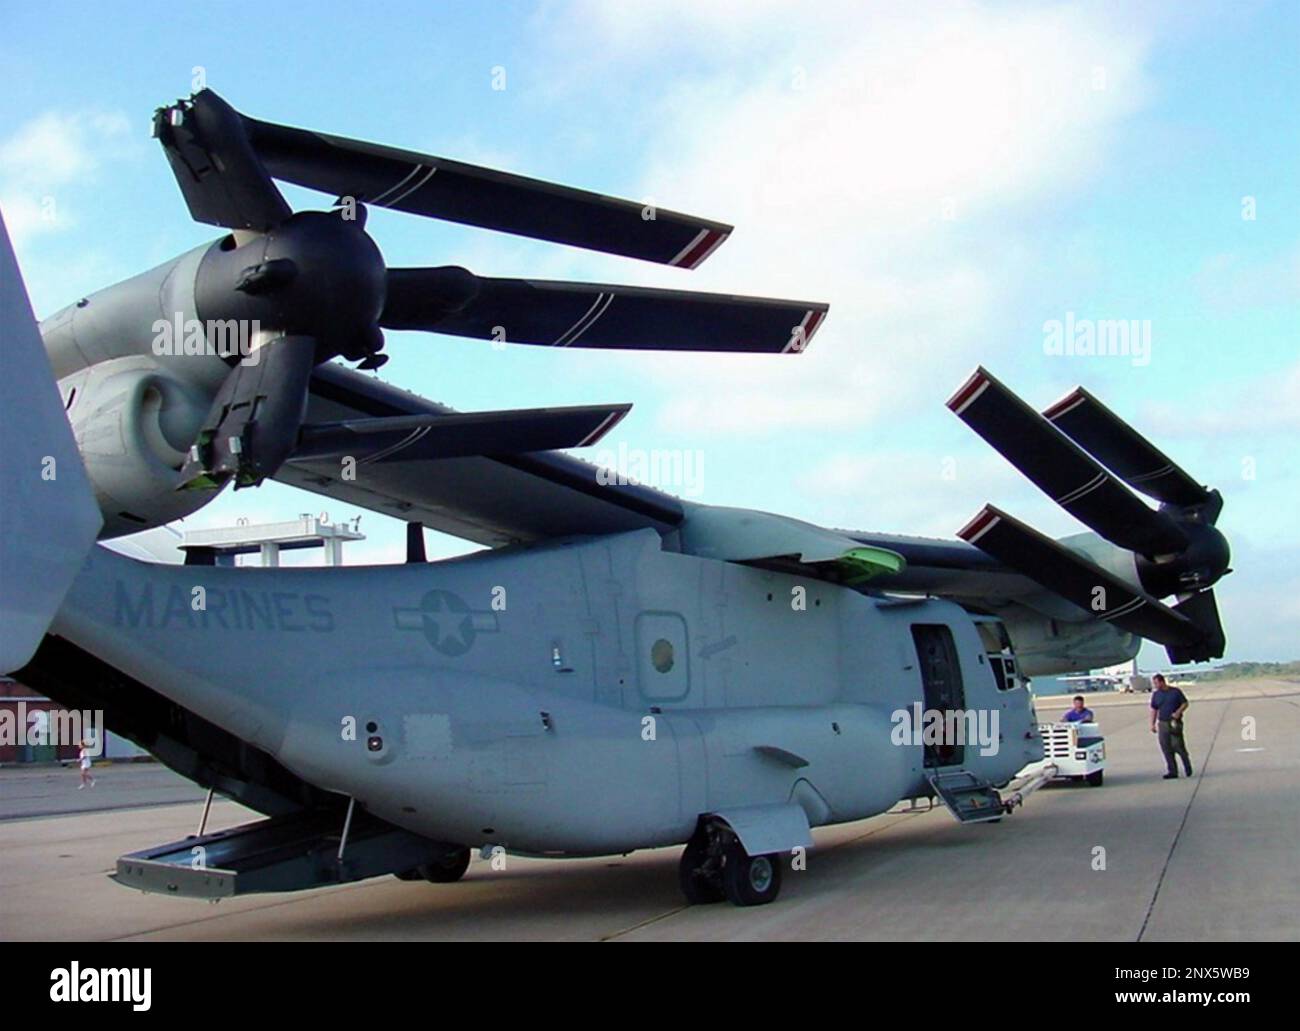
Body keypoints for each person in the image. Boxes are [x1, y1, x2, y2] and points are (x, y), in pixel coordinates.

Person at [1149, 673, 1192, 779]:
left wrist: (1178, 712)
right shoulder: (1156, 695)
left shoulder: (1175, 692)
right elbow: (1154, 709)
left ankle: (1187, 766)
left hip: (1174, 723)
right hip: (1162, 723)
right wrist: (1152, 724)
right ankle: (1172, 771)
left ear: (1162, 681)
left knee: (1178, 746)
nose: (1155, 685)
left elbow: (1185, 703)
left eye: (1156, 683)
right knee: (1166, 747)